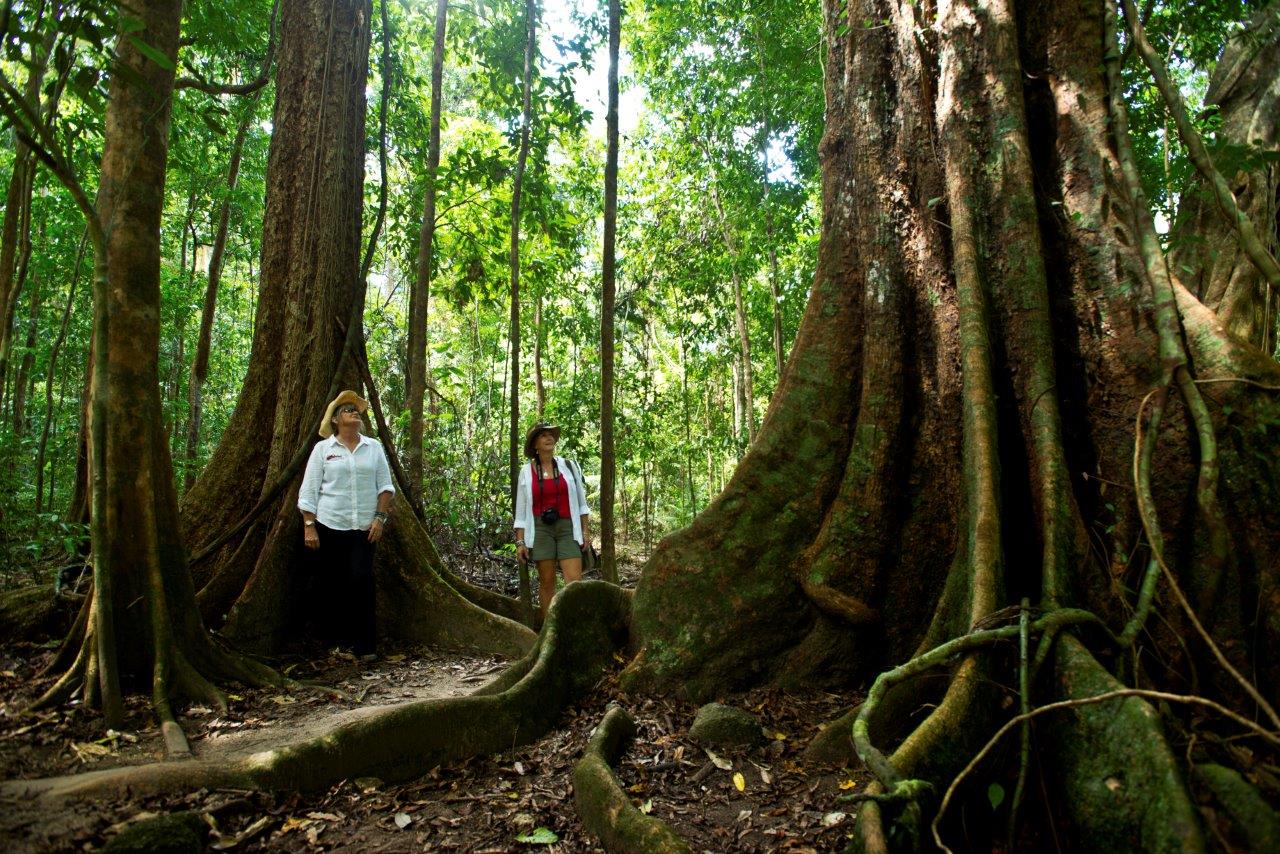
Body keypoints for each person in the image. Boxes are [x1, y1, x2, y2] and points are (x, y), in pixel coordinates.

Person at [298, 390, 395, 660]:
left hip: (364, 528)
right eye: (348, 409)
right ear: (336, 420)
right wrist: (309, 524)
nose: (354, 412)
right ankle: (335, 644)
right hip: (330, 526)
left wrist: (380, 518)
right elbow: (309, 490)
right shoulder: (323, 450)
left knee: (362, 582)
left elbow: (386, 488)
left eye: (355, 409)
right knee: (332, 584)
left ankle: (365, 646)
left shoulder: (373, 447)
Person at [513, 423, 591, 618]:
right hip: (540, 529)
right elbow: (521, 511)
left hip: (567, 527)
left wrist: (585, 531)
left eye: (551, 436)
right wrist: (520, 541)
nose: (549, 439)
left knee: (574, 582)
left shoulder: (568, 466)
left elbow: (582, 503)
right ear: (535, 445)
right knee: (547, 582)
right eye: (543, 436)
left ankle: (574, 624)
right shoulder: (526, 471)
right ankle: (550, 630)